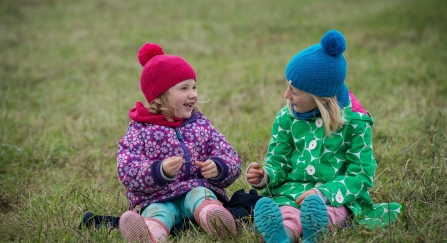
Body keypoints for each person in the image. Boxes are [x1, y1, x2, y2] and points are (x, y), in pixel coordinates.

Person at [246, 30, 401, 243]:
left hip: (334, 197)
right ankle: (282, 236)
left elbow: (361, 175)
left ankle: (315, 234)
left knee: (331, 213)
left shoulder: (356, 123)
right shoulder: (286, 117)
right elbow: (277, 160)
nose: (286, 95)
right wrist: (266, 175)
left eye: (295, 91)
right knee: (287, 213)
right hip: (291, 192)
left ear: (322, 99)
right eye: (287, 86)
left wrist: (324, 194)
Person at [117, 43, 242, 242]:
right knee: (158, 214)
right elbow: (127, 169)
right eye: (184, 88)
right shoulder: (140, 130)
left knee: (203, 198)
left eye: (194, 87)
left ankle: (215, 221)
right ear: (160, 96)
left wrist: (219, 168)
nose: (193, 94)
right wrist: (160, 171)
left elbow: (230, 155)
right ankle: (150, 235)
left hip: (196, 188)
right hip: (156, 198)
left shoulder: (200, 125)